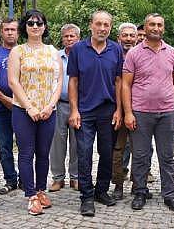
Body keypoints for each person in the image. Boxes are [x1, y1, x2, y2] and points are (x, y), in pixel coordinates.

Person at [122, 13, 174, 212]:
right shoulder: (134, 53)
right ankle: (140, 191)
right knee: (140, 155)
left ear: (163, 28)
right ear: (146, 28)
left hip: (166, 112)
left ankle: (169, 194)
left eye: (159, 25)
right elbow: (125, 84)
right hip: (140, 112)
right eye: (152, 24)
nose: (156, 28)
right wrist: (128, 112)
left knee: (167, 156)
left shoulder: (172, 52)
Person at [67, 11, 123, 216]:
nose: (102, 28)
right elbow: (73, 81)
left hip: (108, 110)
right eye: (98, 24)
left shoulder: (116, 50)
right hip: (84, 111)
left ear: (110, 27)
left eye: (106, 24)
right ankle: (87, 196)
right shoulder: (78, 49)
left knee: (107, 153)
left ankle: (101, 190)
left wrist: (119, 109)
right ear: (91, 25)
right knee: (84, 154)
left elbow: (118, 81)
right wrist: (73, 110)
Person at [8, 9, 62, 216]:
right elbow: (13, 81)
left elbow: (58, 82)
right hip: (23, 111)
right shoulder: (18, 51)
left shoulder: (52, 51)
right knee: (26, 152)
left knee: (43, 153)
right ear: (25, 27)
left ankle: (40, 190)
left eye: (39, 23)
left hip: (48, 110)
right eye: (31, 23)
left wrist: (49, 106)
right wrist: (29, 107)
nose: (35, 26)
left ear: (45, 27)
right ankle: (30, 195)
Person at [49, 24, 81, 192]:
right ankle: (58, 178)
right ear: (62, 39)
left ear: (78, 38)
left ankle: (75, 177)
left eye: (72, 36)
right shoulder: (55, 56)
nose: (69, 39)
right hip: (59, 104)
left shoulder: (83, 55)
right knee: (57, 143)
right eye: (66, 36)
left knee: (77, 143)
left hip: (78, 106)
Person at [0, 18, 20, 195]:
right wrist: (4, 99)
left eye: (13, 29)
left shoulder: (25, 52)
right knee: (4, 145)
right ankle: (10, 180)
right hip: (0, 107)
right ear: (2, 32)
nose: (10, 32)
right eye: (7, 29)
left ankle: (26, 179)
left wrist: (18, 101)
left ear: (18, 32)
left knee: (26, 146)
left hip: (23, 107)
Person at [112, 22, 137, 200]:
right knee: (118, 149)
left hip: (140, 109)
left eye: (131, 35)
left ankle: (138, 184)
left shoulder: (141, 54)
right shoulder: (113, 54)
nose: (128, 38)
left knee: (140, 150)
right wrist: (119, 110)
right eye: (125, 35)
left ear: (136, 38)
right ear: (119, 37)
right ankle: (118, 185)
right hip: (118, 109)